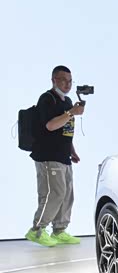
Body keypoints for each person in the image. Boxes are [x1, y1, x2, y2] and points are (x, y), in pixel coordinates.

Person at [25, 65, 84, 246]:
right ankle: (36, 230)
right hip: (48, 156)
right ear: (54, 80)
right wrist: (71, 112)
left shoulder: (67, 101)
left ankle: (59, 230)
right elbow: (50, 126)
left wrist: (71, 150)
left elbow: (65, 130)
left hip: (63, 155)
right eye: (63, 80)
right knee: (53, 194)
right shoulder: (47, 99)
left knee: (67, 195)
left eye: (70, 81)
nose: (67, 84)